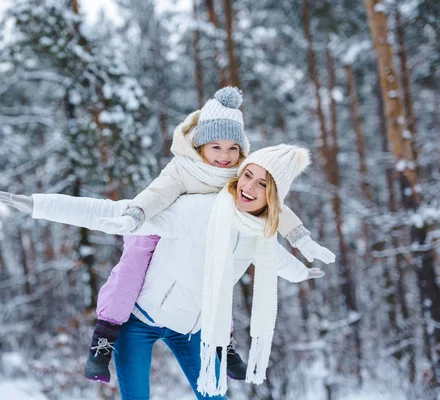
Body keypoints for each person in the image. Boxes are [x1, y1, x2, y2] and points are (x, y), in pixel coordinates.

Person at [0, 144, 328, 399]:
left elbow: (280, 262)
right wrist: (38, 205)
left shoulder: (261, 237)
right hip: (141, 323)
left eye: (263, 184)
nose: (249, 187)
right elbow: (114, 210)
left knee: (215, 397)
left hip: (196, 331)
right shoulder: (196, 209)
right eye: (248, 174)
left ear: (275, 197)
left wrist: (304, 273)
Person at [81, 87, 333, 383]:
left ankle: (222, 343)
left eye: (232, 148)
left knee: (216, 274)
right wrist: (136, 214)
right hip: (160, 224)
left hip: (207, 235)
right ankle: (105, 337)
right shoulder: (182, 168)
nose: (224, 156)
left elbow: (275, 206)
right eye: (216, 147)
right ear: (201, 146)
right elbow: (157, 194)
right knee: (131, 269)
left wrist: (300, 238)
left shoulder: (242, 174)